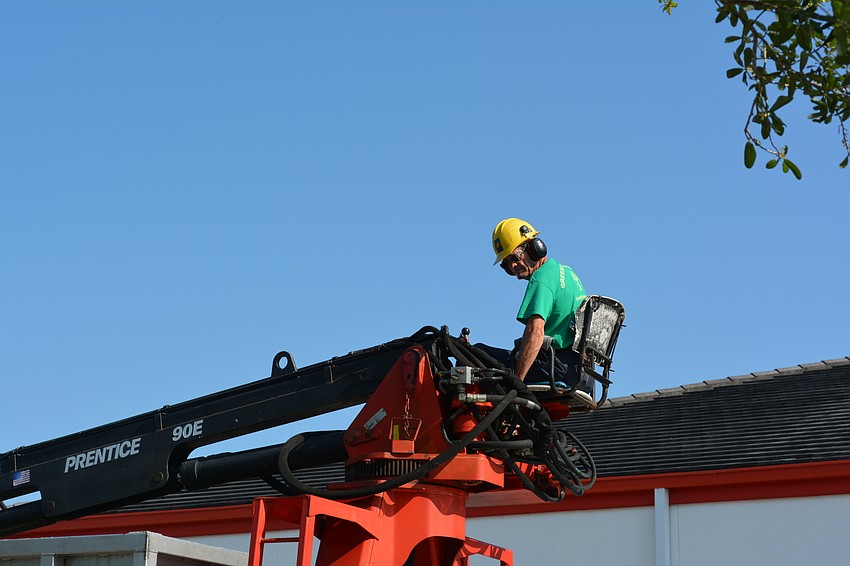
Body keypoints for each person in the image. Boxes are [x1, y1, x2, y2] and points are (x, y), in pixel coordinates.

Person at [478, 217, 593, 395]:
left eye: (514, 258)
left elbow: (535, 332)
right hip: (582, 375)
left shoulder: (541, 279)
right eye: (506, 264)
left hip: (557, 368)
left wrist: (517, 383)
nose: (513, 266)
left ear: (534, 249)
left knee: (476, 353)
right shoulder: (566, 272)